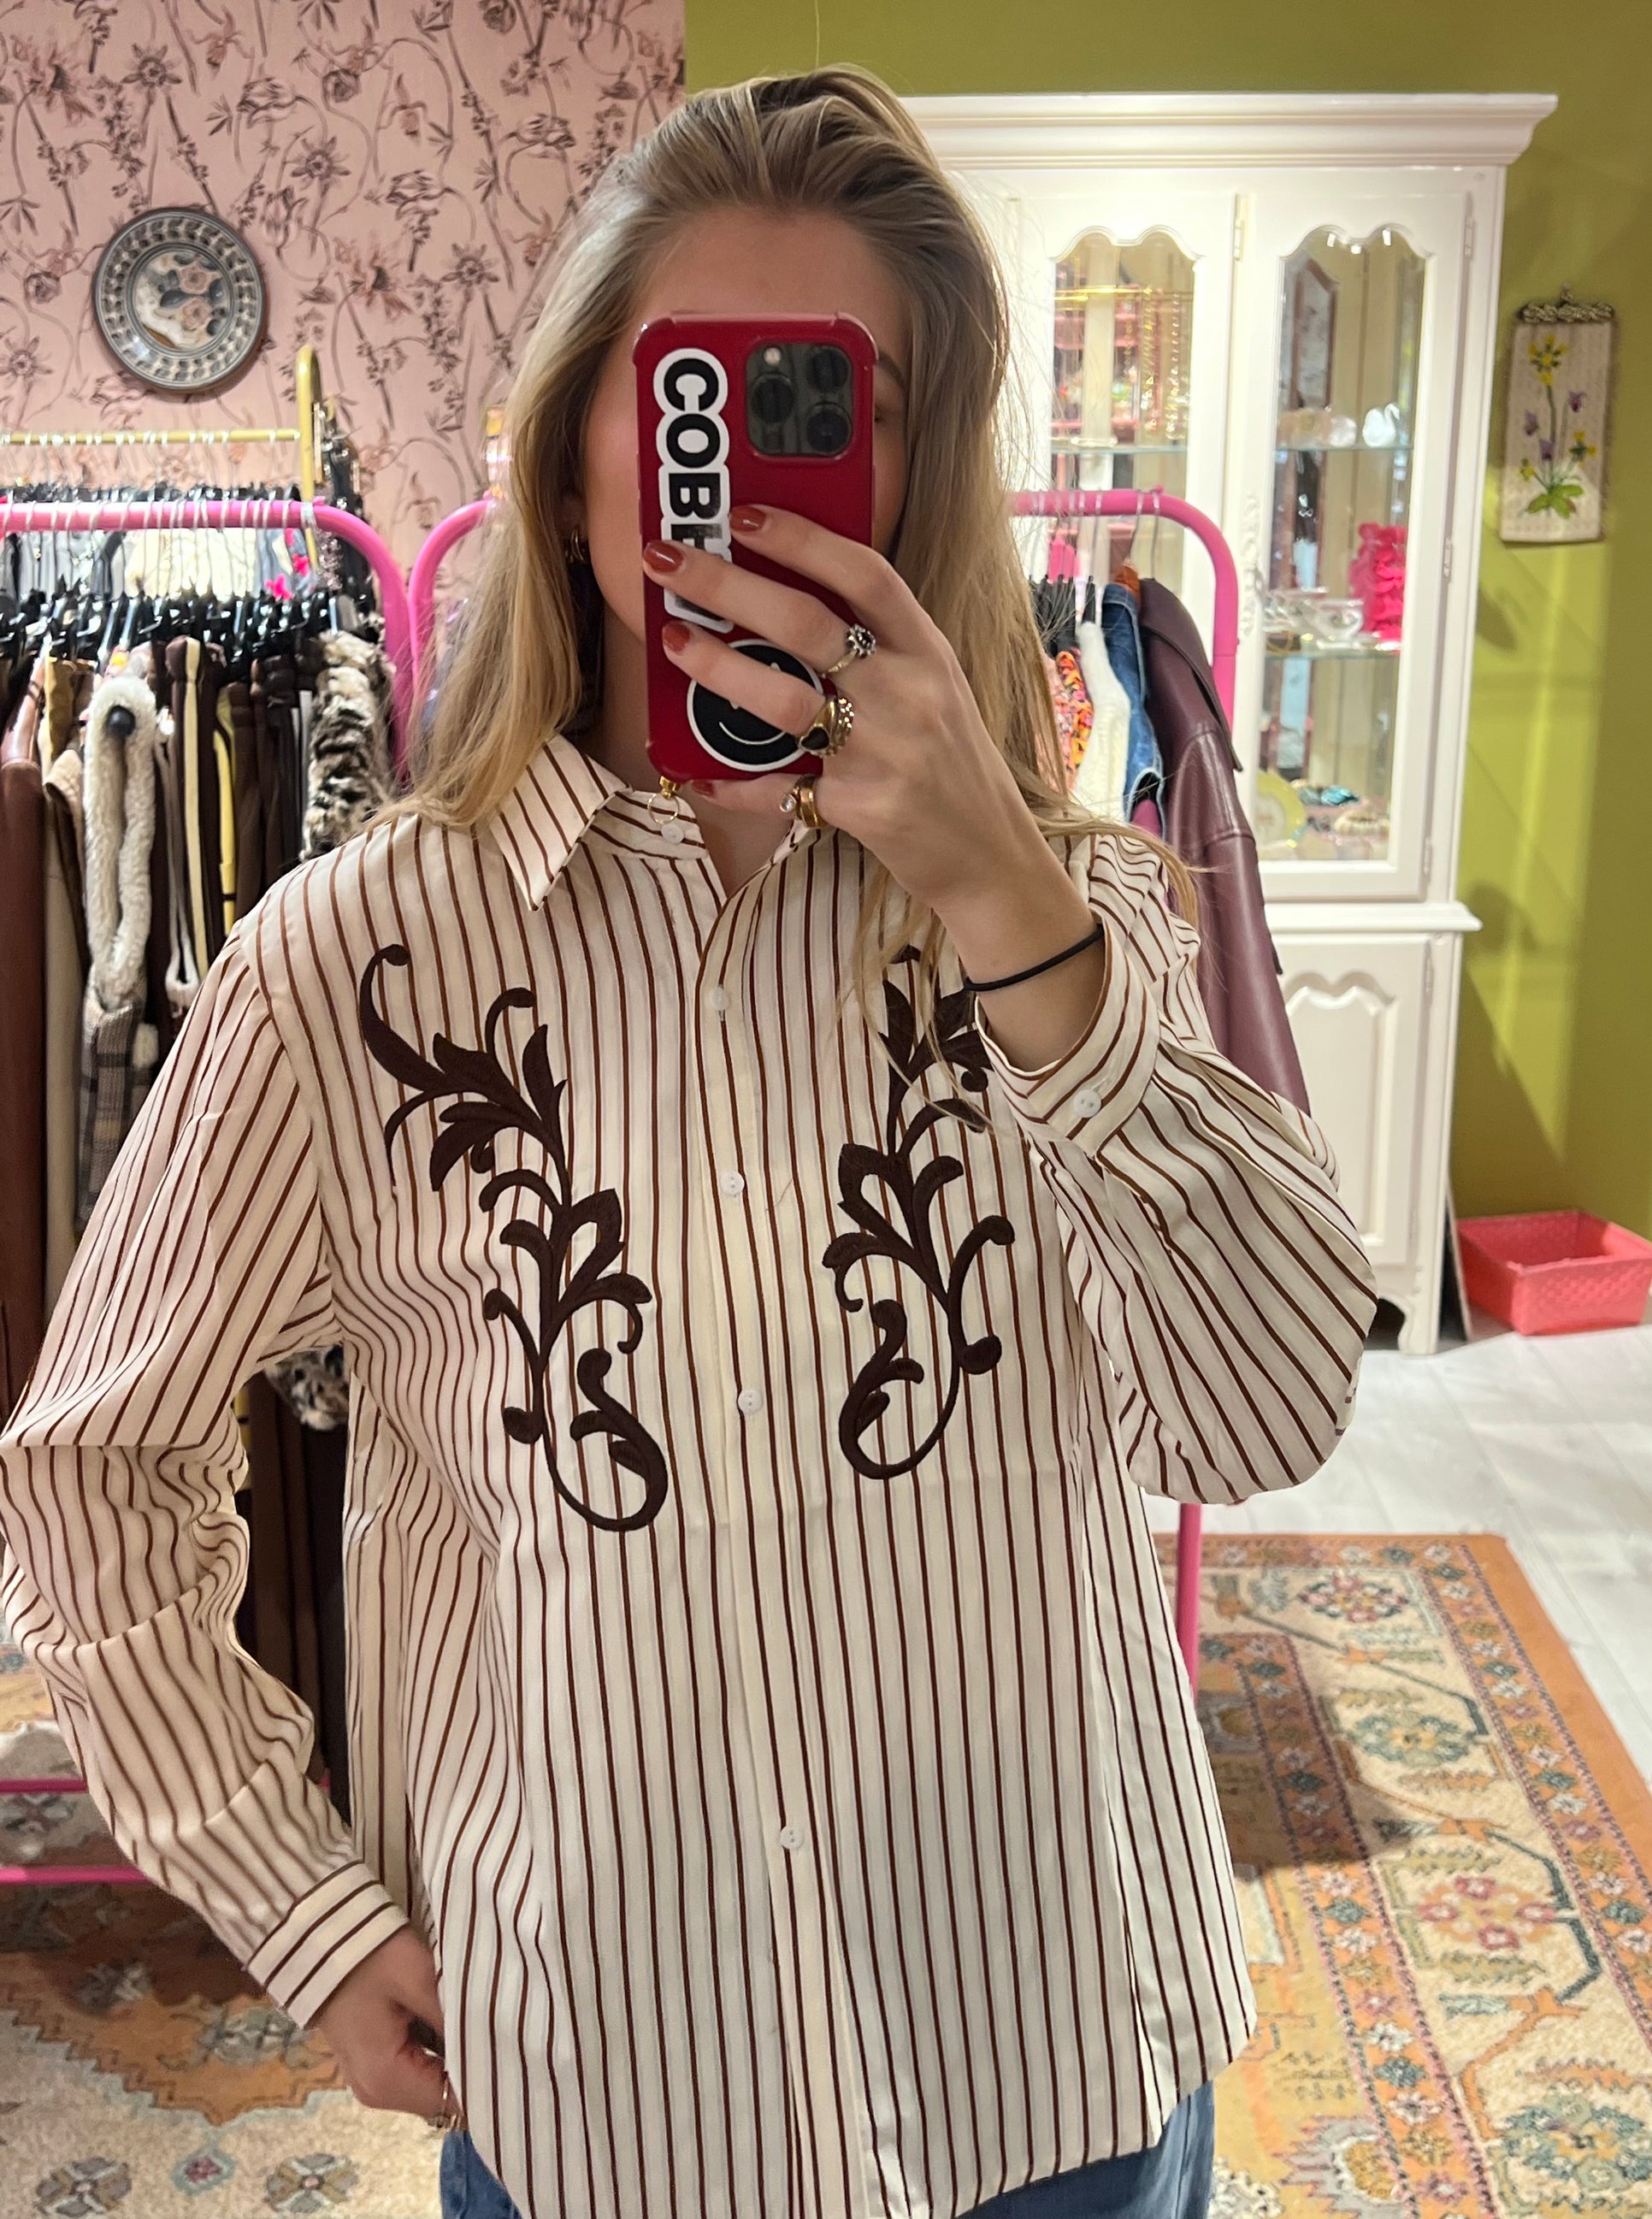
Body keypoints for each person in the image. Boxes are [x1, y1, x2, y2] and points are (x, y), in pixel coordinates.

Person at [0, 67, 1373, 2219]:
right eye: (686, 389)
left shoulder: (1075, 904)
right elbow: (91, 1466)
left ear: (912, 475)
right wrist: (304, 1904)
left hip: (1056, 2051)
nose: (743, 470)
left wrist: (1006, 899)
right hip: (613, 2093)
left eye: (832, 400)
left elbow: (1270, 1411)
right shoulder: (355, 962)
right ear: (570, 462)